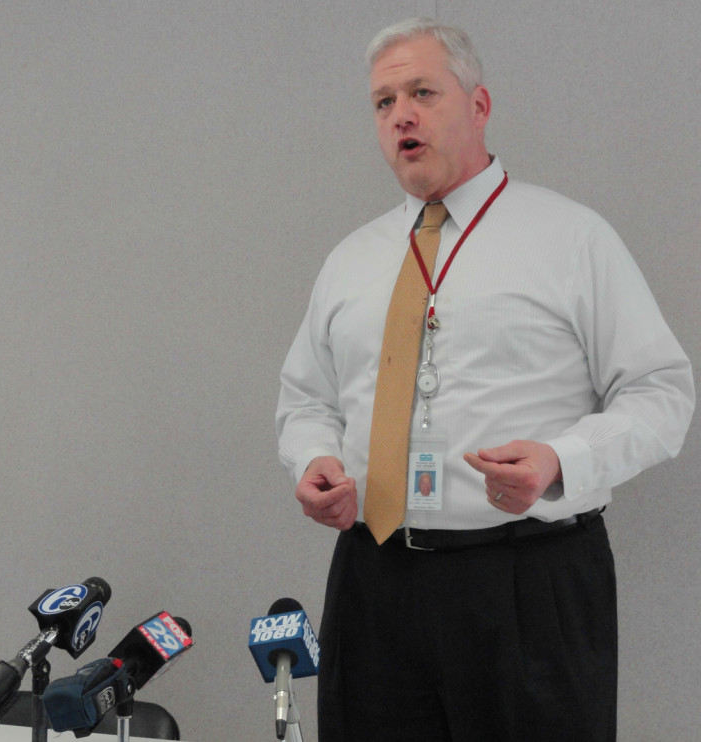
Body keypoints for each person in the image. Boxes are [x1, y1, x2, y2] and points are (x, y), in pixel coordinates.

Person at [276, 18, 694, 742]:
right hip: (374, 583)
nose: (400, 114)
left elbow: (663, 395)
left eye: (421, 91)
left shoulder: (571, 238)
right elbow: (307, 397)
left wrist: (563, 460)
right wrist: (313, 459)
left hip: (526, 583)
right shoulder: (352, 259)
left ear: (479, 105)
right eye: (382, 102)